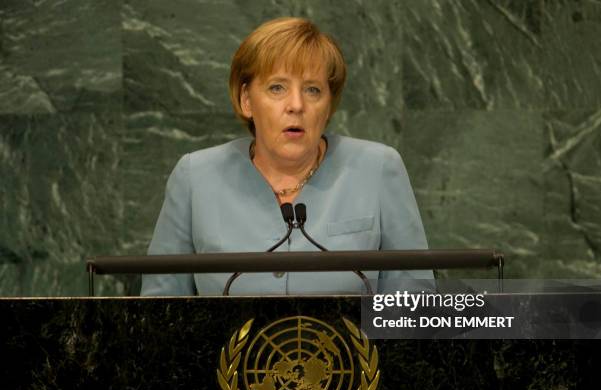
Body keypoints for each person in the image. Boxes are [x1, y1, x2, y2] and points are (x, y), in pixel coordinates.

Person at [141, 17, 432, 296]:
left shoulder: (377, 169)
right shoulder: (196, 176)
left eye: (313, 90)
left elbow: (416, 306)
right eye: (277, 88)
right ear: (246, 100)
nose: (296, 105)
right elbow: (157, 310)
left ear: (329, 105)